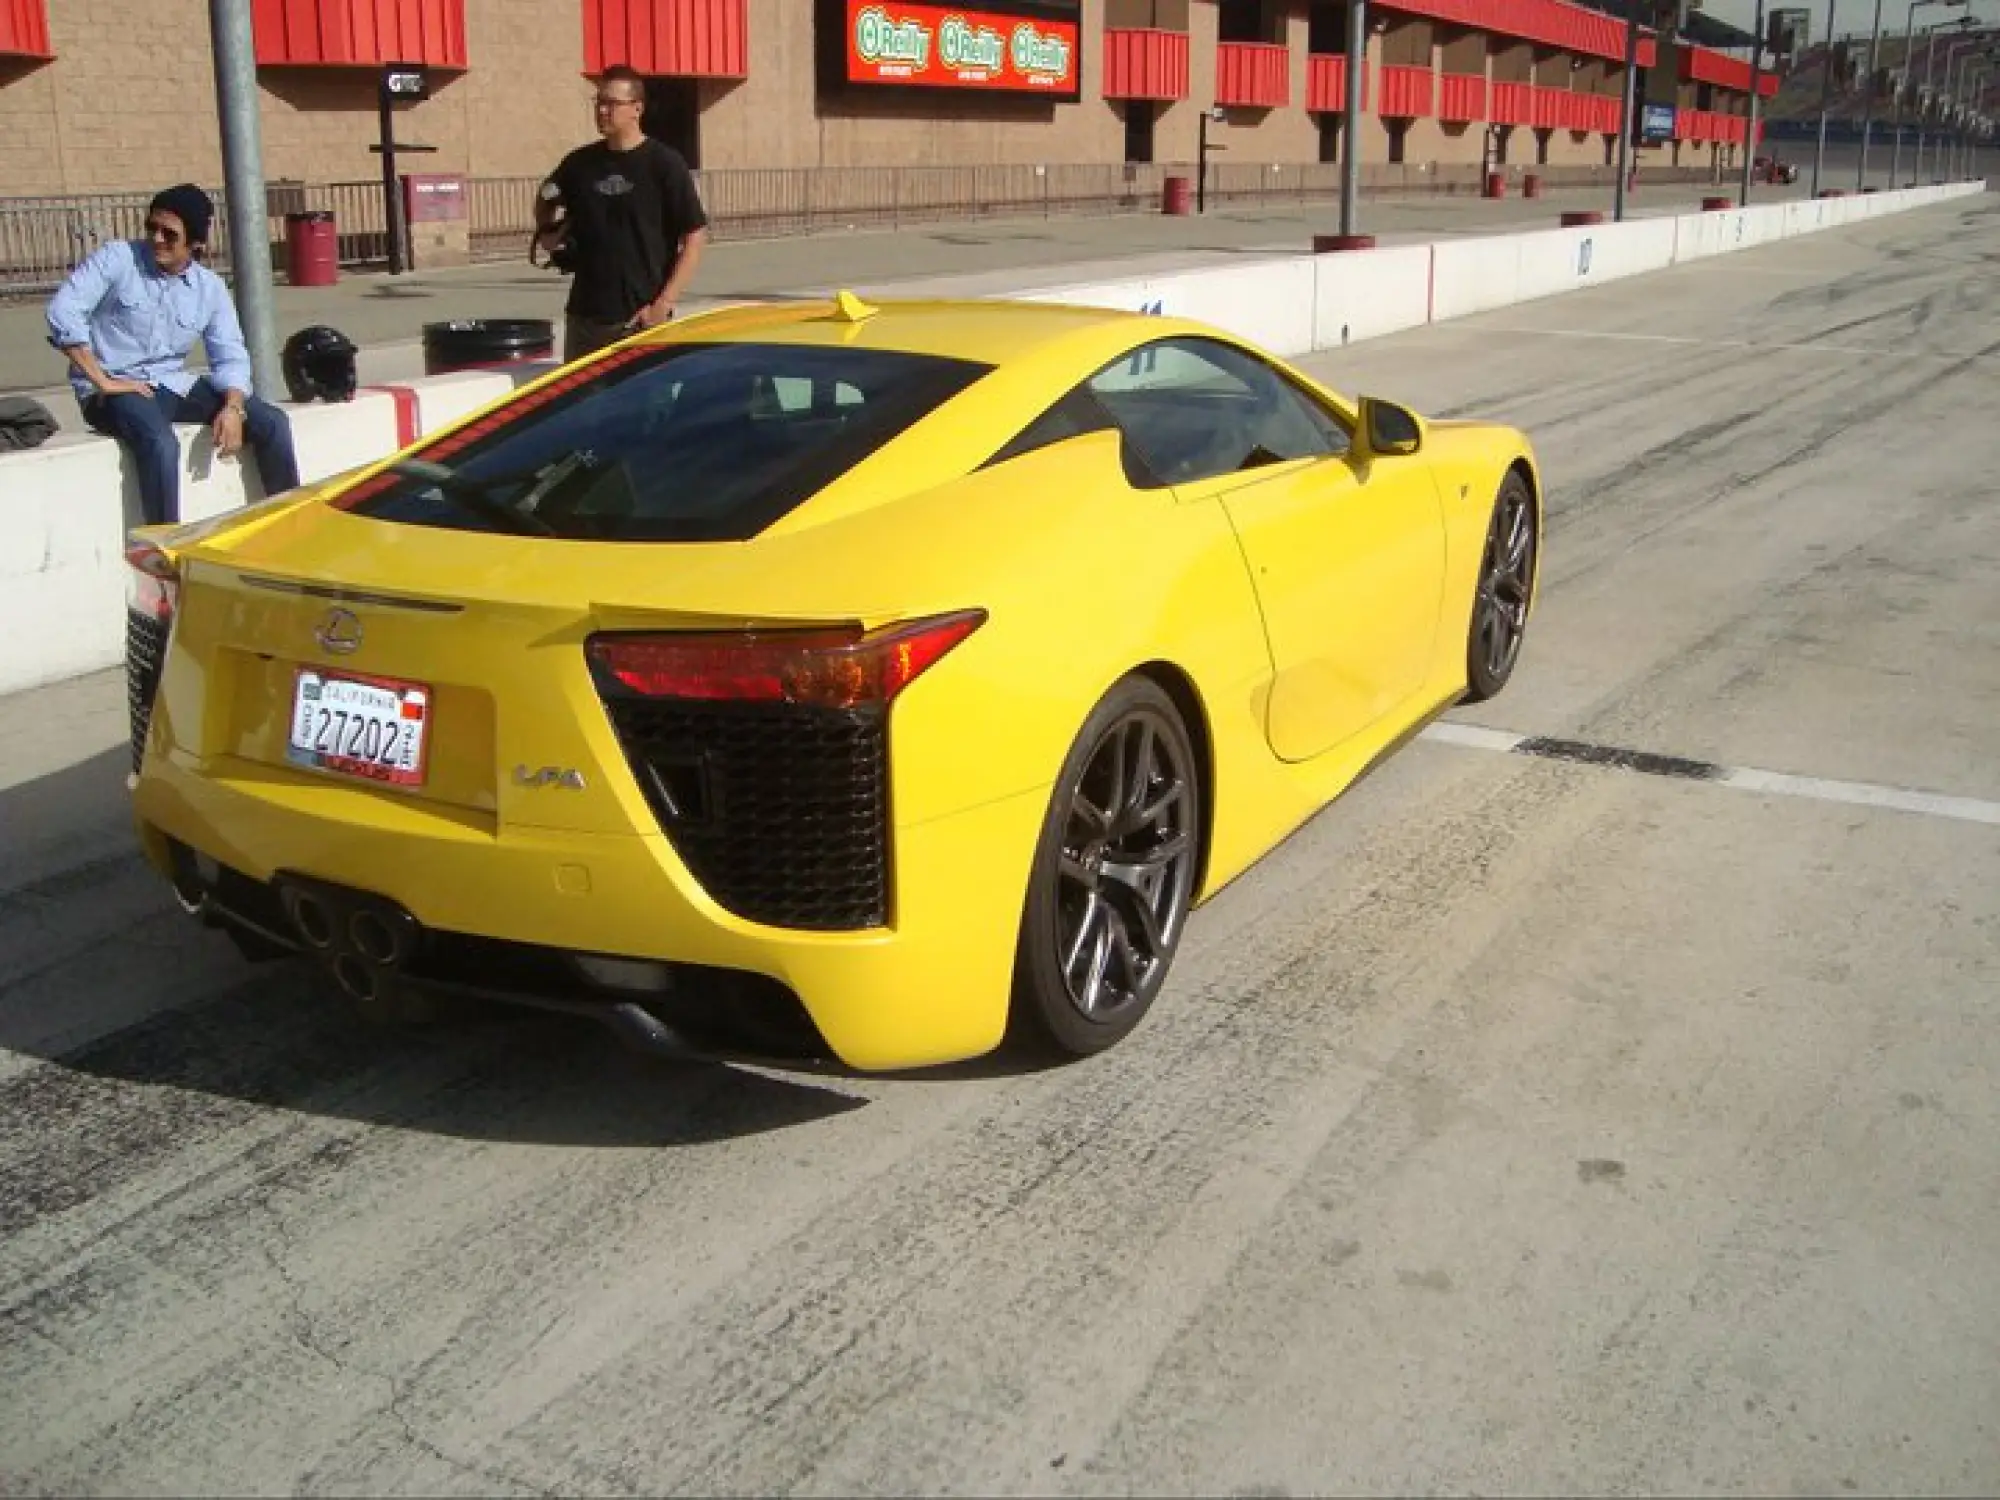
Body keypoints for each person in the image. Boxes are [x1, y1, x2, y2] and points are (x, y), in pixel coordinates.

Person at [46, 183, 299, 528]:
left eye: (170, 234)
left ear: (195, 242)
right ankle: (163, 549)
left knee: (272, 422)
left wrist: (233, 407)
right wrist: (101, 380)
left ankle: (288, 527)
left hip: (170, 384)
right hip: (112, 390)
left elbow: (229, 355)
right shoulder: (118, 258)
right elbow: (64, 310)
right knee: (160, 442)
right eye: (152, 228)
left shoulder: (209, 288)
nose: (157, 239)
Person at [534, 65, 710, 361]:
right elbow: (546, 194)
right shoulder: (579, 165)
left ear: (636, 109)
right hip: (584, 319)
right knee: (581, 406)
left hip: (640, 319)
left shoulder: (664, 165)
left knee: (644, 407)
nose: (602, 110)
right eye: (599, 102)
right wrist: (547, 232)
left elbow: (695, 235)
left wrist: (663, 304)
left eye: (611, 103)